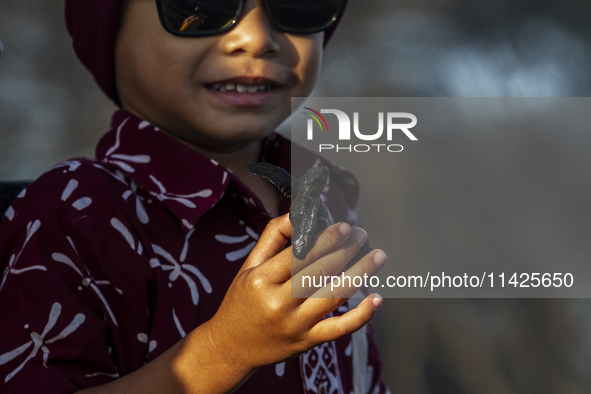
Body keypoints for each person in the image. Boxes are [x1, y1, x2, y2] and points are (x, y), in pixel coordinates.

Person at [0, 0, 389, 392]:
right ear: (109, 28)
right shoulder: (72, 211)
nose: (255, 39)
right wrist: (224, 352)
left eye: (294, 5)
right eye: (201, 5)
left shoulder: (327, 195)